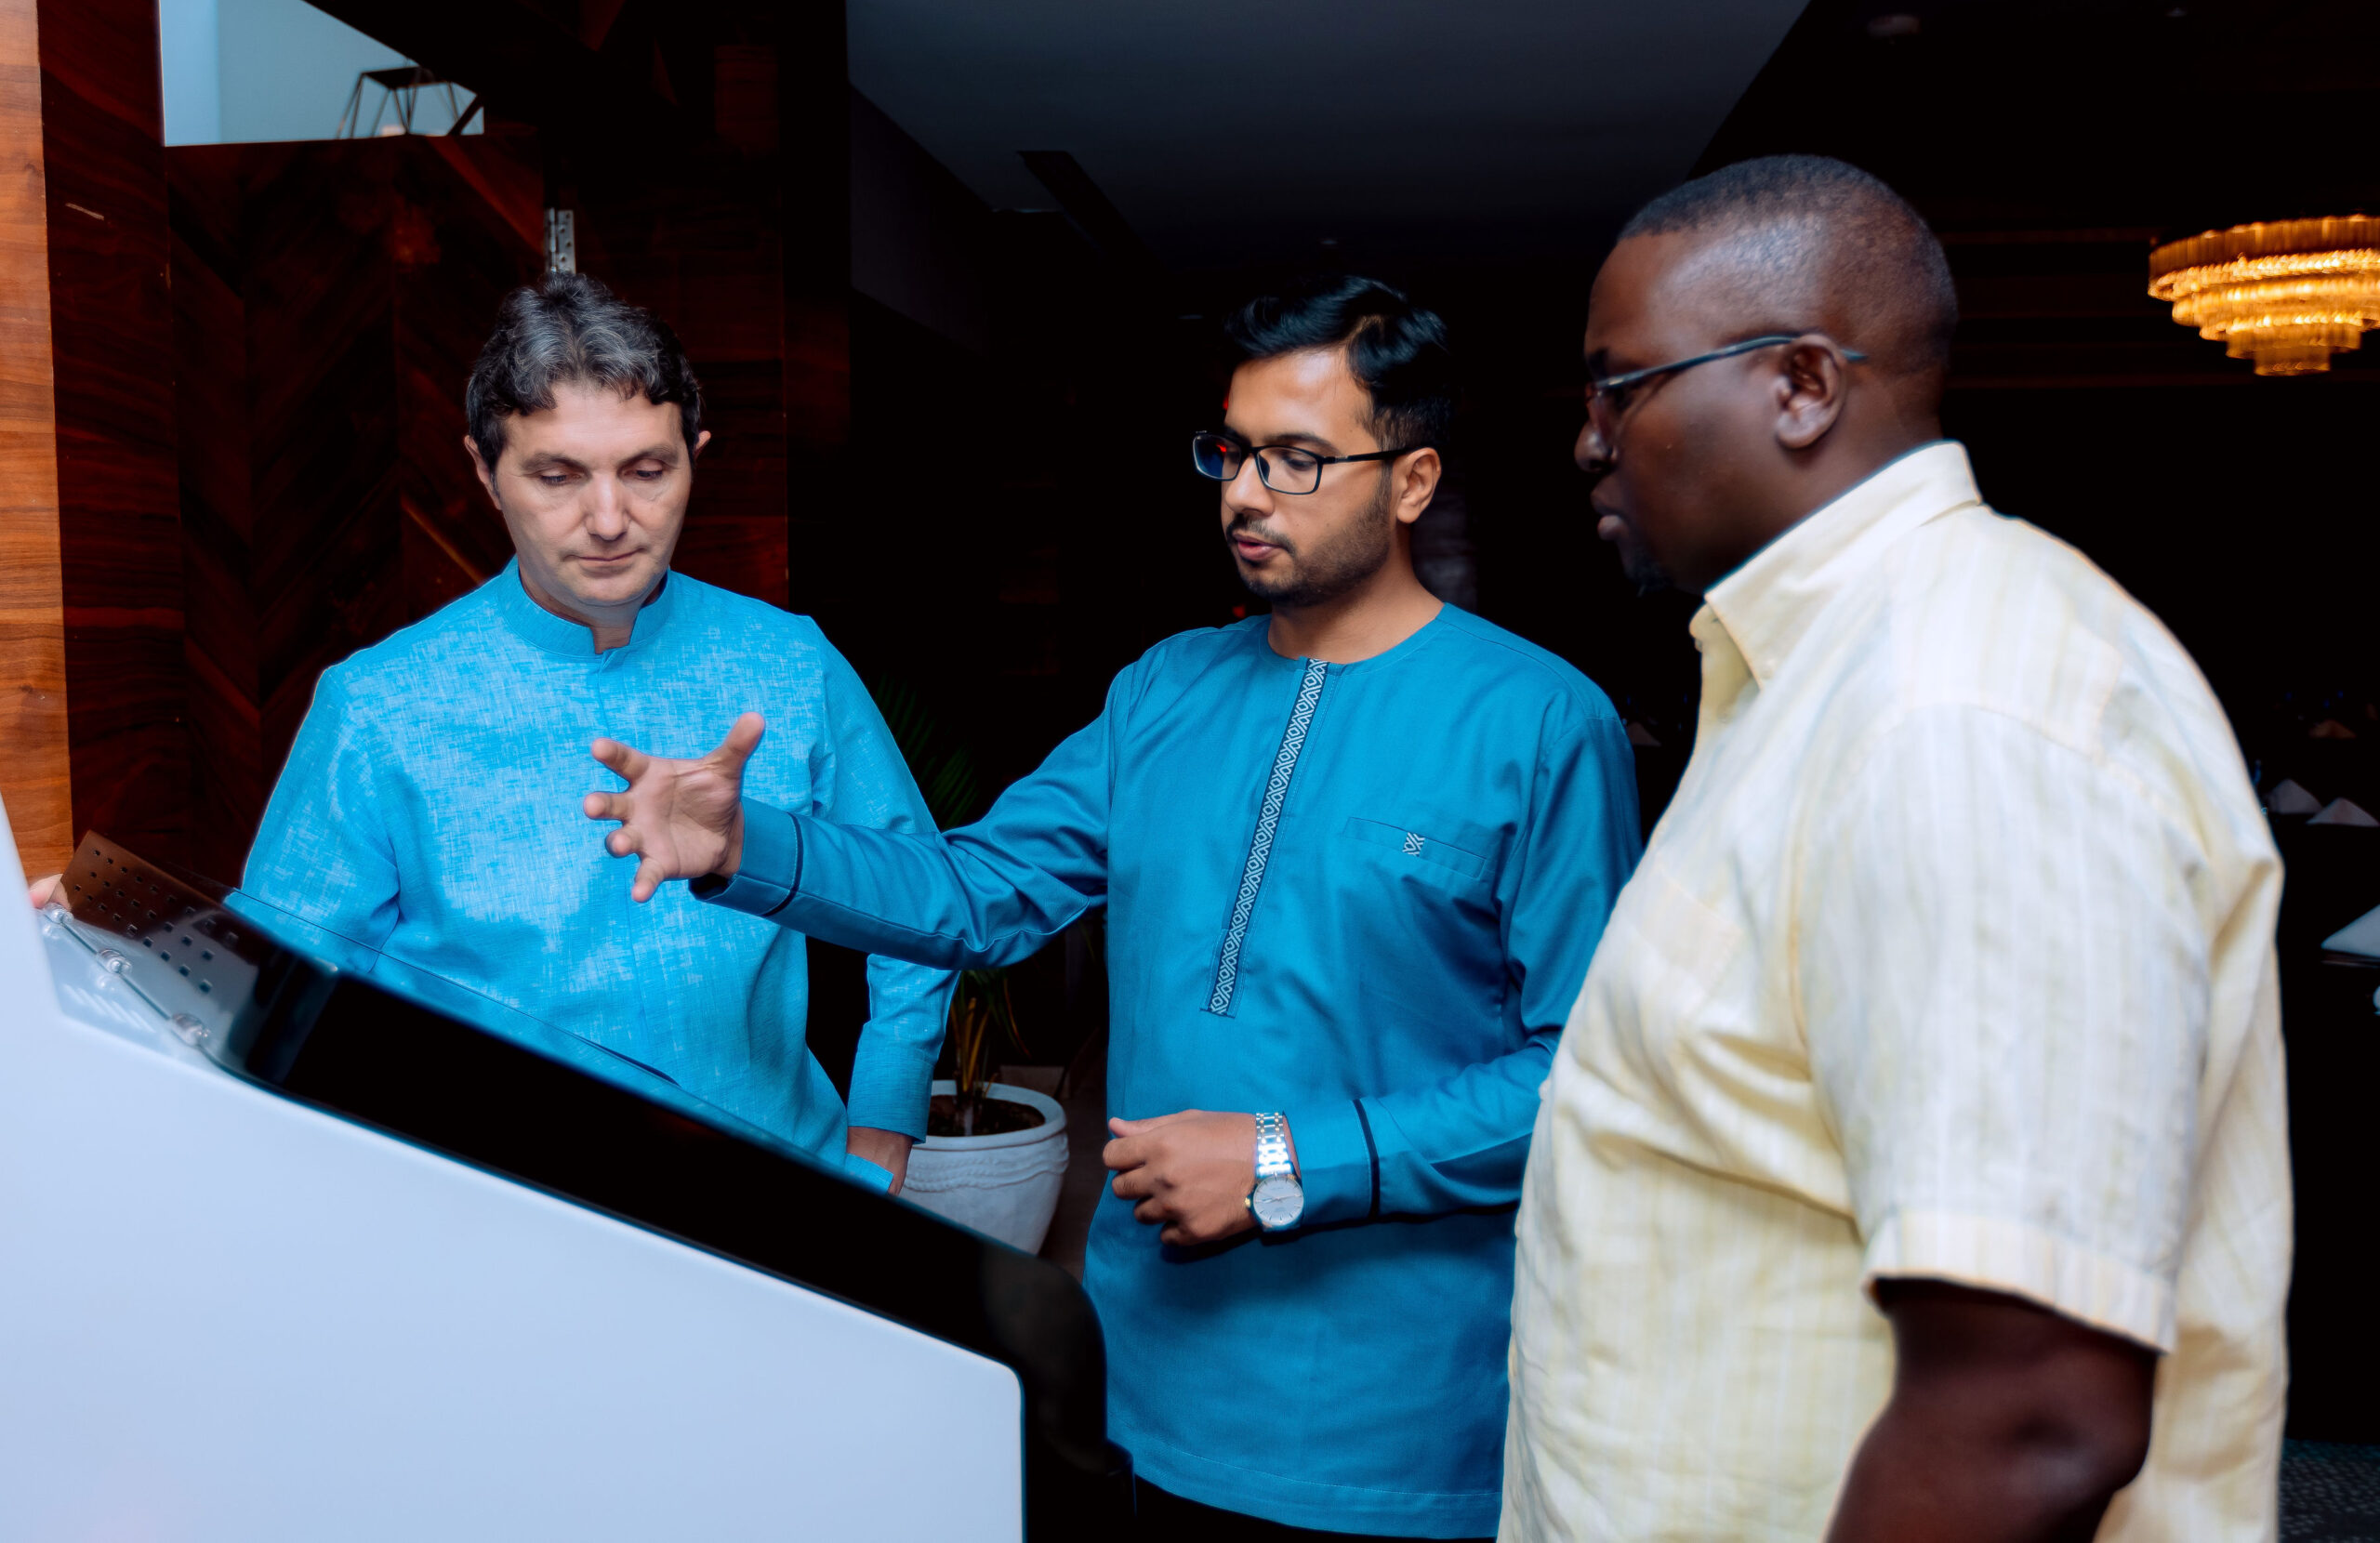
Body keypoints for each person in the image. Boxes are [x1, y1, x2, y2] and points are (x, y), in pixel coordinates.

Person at [584, 277, 1643, 1539]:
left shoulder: (1540, 722)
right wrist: (745, 843)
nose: (1245, 493)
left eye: (1297, 459)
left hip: (1396, 1421)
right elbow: (974, 891)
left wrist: (1286, 1159)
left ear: (1412, 482)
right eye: (1232, 452)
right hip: (1145, 1385)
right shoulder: (1162, 692)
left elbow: (1584, 1077)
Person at [1502, 156, 2290, 1541]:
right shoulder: (1817, 675)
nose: (1589, 439)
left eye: (1620, 387)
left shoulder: (1956, 709)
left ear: (1803, 385)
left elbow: (2028, 1413)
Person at [41, 276, 953, 1189]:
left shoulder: (790, 662)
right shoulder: (378, 707)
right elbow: (275, 980)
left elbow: (919, 893)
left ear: (694, 457)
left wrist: (883, 1122)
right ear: (484, 471)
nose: (609, 520)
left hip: (783, 1198)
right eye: (557, 476)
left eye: (647, 470)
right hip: (498, 1208)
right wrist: (104, 946)